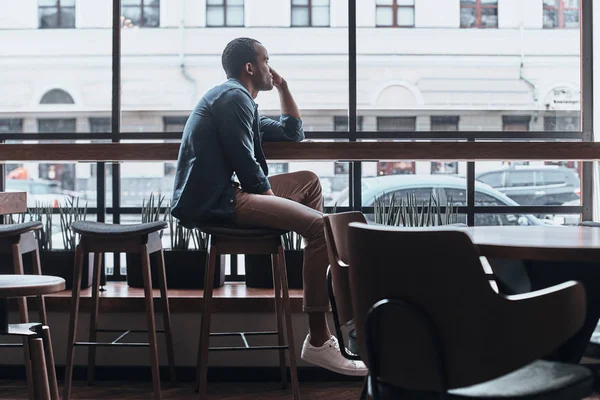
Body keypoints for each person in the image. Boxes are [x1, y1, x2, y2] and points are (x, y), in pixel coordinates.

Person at [171, 37, 367, 376]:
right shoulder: (234, 99)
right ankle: (320, 339)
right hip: (218, 203)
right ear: (250, 67)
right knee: (322, 229)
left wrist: (284, 88)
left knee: (309, 181)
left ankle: (315, 264)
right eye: (266, 60)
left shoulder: (239, 101)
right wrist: (279, 205)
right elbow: (247, 169)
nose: (270, 68)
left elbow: (293, 133)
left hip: (227, 193)